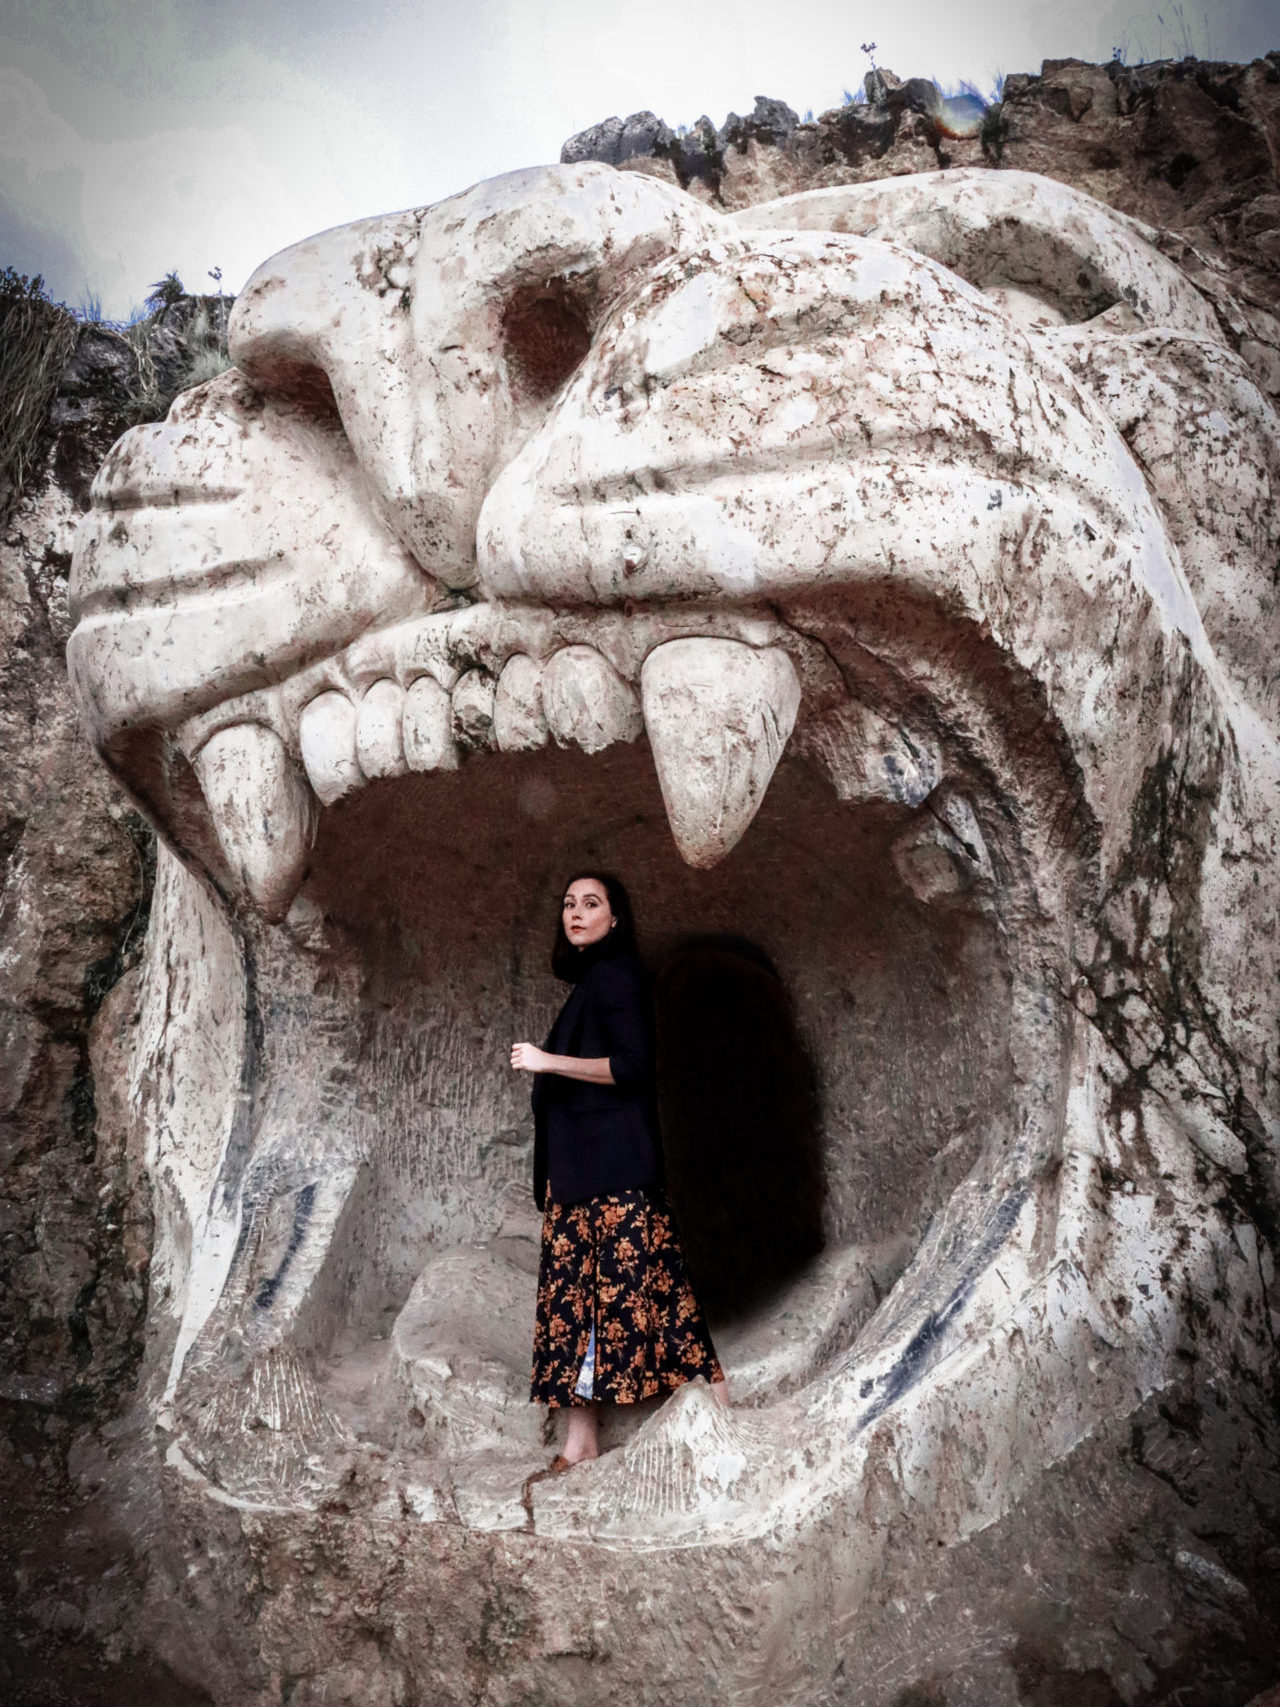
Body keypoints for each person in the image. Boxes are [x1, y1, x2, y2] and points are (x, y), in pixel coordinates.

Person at [510, 872, 727, 1469]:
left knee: (652, 1298)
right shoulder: (591, 984)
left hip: (616, 1175)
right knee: (580, 1307)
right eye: (568, 904)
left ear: (616, 919)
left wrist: (546, 1061)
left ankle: (723, 1417)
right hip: (585, 1178)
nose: (575, 913)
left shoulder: (619, 976)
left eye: (591, 904)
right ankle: (580, 1444)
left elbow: (633, 1068)